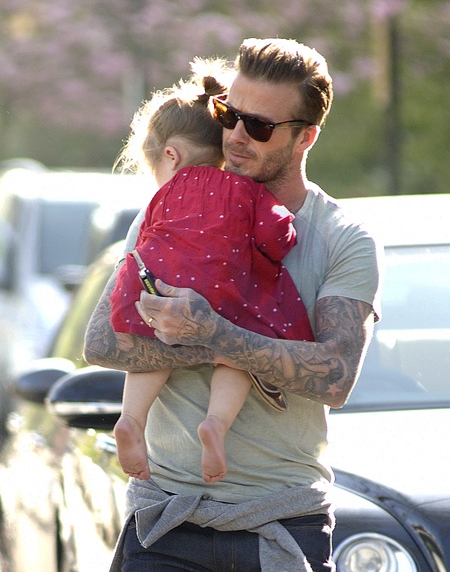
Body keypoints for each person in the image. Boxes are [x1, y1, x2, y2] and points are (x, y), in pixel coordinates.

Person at [84, 38, 382, 572]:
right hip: (166, 517)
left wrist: (216, 334)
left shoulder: (343, 238)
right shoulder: (170, 211)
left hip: (282, 522)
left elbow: (336, 377)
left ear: (306, 137)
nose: (236, 136)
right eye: (229, 114)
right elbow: (102, 343)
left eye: (260, 126)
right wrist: (221, 341)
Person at [109, 61, 314, 485]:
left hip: (157, 288)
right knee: (240, 350)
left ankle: (131, 418)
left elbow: (147, 240)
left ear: (171, 155)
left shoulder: (162, 195)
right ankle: (216, 424)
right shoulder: (245, 190)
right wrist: (281, 243)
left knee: (151, 339)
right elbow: (277, 234)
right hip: (223, 289)